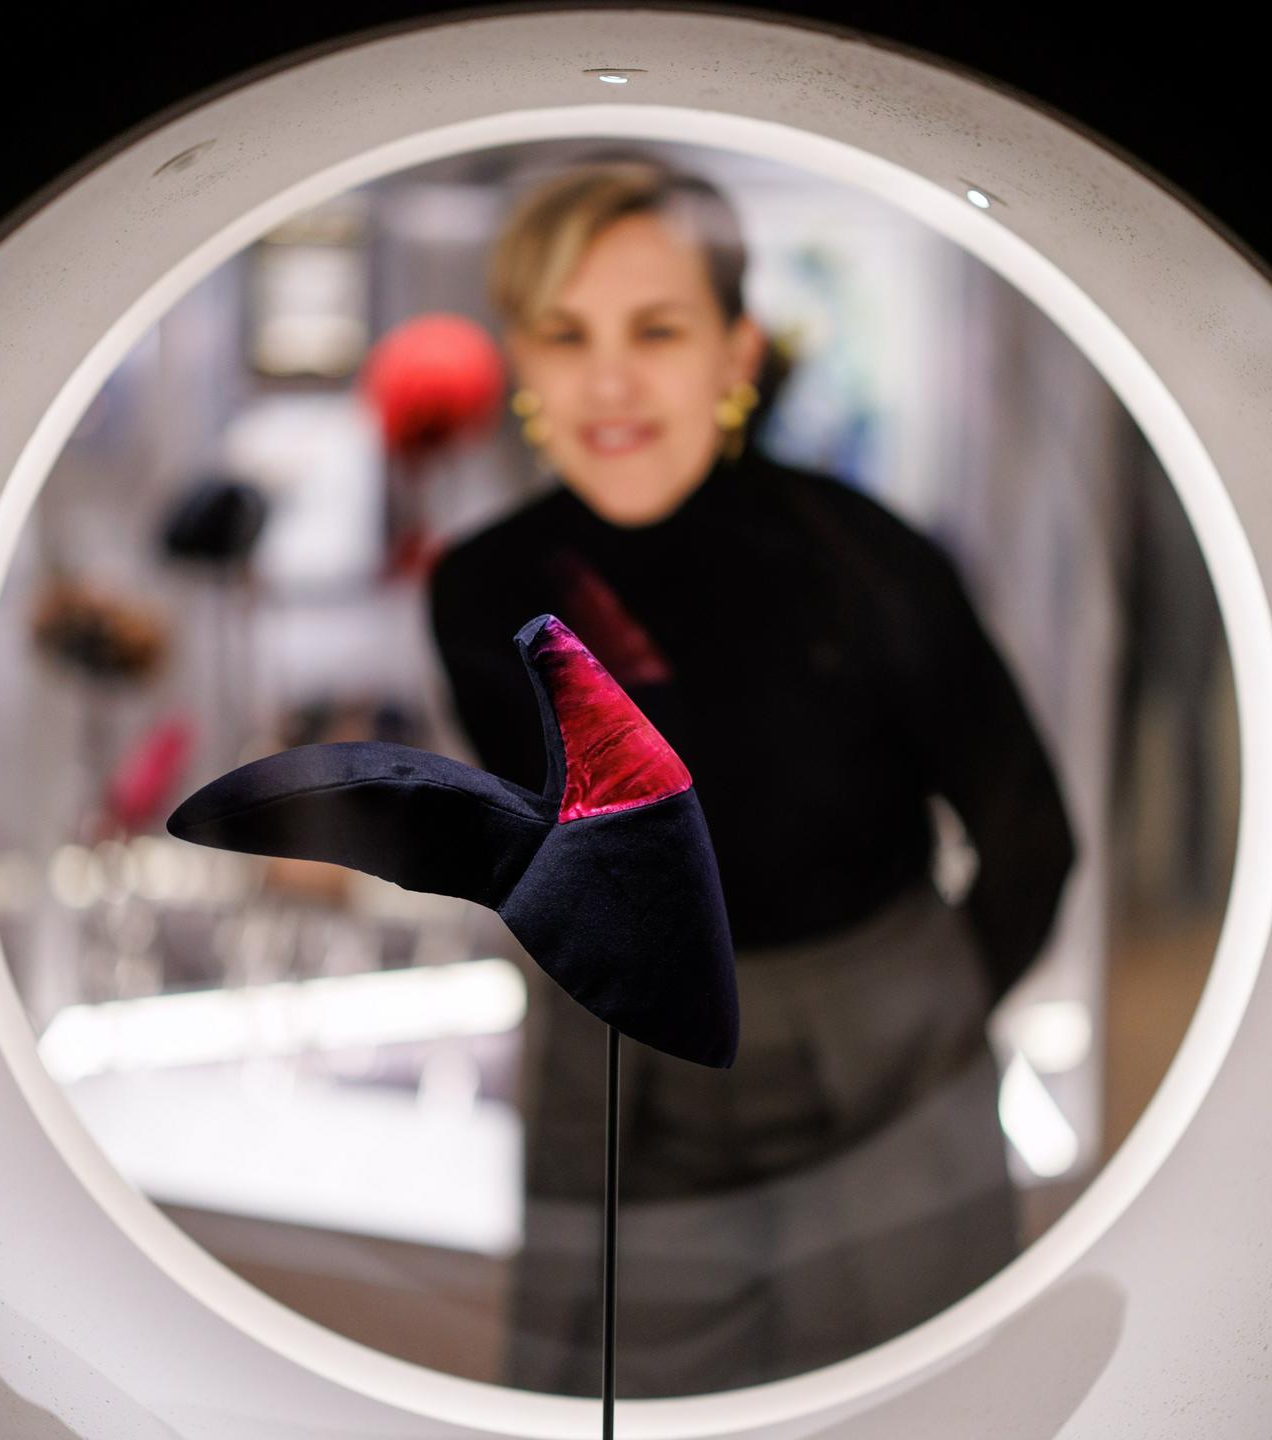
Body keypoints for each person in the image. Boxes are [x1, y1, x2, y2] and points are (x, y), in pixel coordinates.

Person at [425, 155, 1077, 1398]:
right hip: (616, 1048)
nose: (607, 381)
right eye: (565, 334)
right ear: (521, 360)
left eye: (656, 330)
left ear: (735, 349)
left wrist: (920, 1023)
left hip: (879, 1037)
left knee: (911, 1409)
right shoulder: (480, 589)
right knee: (617, 1398)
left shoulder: (865, 562)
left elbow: (1028, 839)